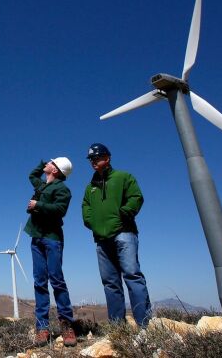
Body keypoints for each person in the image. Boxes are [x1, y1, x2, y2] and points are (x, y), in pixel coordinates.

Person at [81, 143, 151, 326]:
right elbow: (85, 208)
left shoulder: (123, 177)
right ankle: (117, 327)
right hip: (101, 239)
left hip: (124, 233)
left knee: (132, 276)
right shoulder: (90, 188)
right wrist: (93, 224)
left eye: (97, 158)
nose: (93, 162)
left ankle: (144, 324)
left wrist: (123, 215)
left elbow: (136, 197)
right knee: (110, 283)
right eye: (91, 159)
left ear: (107, 158)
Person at [25, 157, 77, 347]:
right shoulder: (42, 185)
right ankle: (42, 327)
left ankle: (66, 324)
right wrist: (41, 164)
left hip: (52, 238)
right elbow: (32, 175)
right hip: (36, 237)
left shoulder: (62, 189)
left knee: (56, 280)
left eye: (51, 163)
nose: (49, 163)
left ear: (56, 170)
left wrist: (37, 205)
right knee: (39, 281)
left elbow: (60, 210)